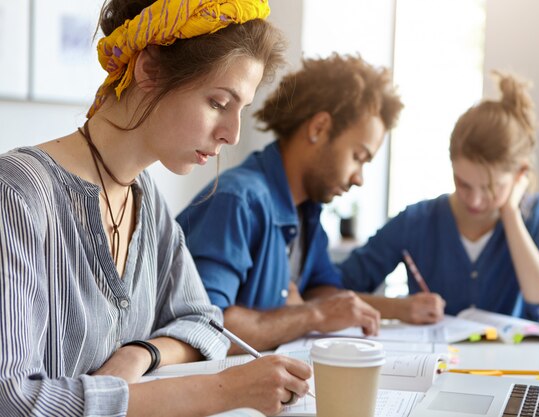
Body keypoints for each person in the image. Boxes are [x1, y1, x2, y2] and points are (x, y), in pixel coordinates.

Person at [0, 1, 312, 416]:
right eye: (219, 103)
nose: (232, 135)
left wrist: (139, 354)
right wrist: (223, 389)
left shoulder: (145, 200)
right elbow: (14, 398)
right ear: (149, 70)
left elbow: (206, 322)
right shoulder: (18, 195)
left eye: (241, 110)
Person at [176, 53, 405, 352]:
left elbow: (323, 292)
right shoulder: (238, 201)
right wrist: (309, 315)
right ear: (319, 128)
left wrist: (307, 308)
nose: (359, 178)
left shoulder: (307, 211)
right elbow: (208, 329)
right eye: (358, 157)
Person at [339, 71, 539, 328]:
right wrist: (397, 308)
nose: (475, 201)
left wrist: (510, 213)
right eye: (463, 183)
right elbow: (333, 288)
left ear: (520, 174)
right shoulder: (417, 221)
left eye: (490, 188)